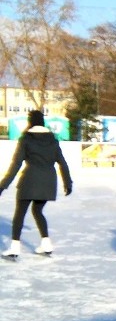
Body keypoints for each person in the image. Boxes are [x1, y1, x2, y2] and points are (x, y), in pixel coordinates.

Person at [1, 110, 73, 259]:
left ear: (30, 121)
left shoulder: (26, 139)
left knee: (20, 213)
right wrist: (68, 182)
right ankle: (46, 244)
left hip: (30, 181)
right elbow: (62, 163)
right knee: (38, 211)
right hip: (48, 183)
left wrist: (3, 185)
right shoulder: (53, 140)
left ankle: (15, 247)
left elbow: (16, 164)